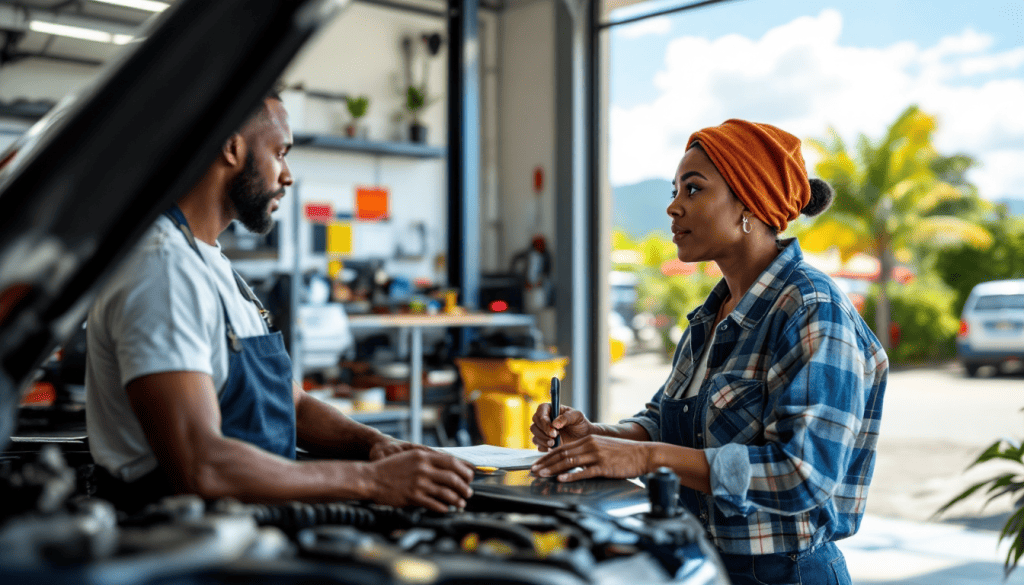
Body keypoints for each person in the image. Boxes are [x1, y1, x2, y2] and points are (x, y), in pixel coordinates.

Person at [530, 119, 887, 585]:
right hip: (704, 562)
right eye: (675, 190)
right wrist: (596, 436)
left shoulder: (812, 310)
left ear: (749, 204)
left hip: (786, 573)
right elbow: (666, 421)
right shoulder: (712, 314)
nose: (673, 207)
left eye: (693, 190)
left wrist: (644, 458)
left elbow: (804, 475)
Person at [85, 93, 474, 513]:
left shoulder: (211, 263)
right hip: (179, 551)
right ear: (231, 147)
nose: (287, 176)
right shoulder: (162, 268)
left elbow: (295, 407)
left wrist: (377, 445)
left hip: (252, 531)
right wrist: (370, 481)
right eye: (279, 152)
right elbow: (201, 466)